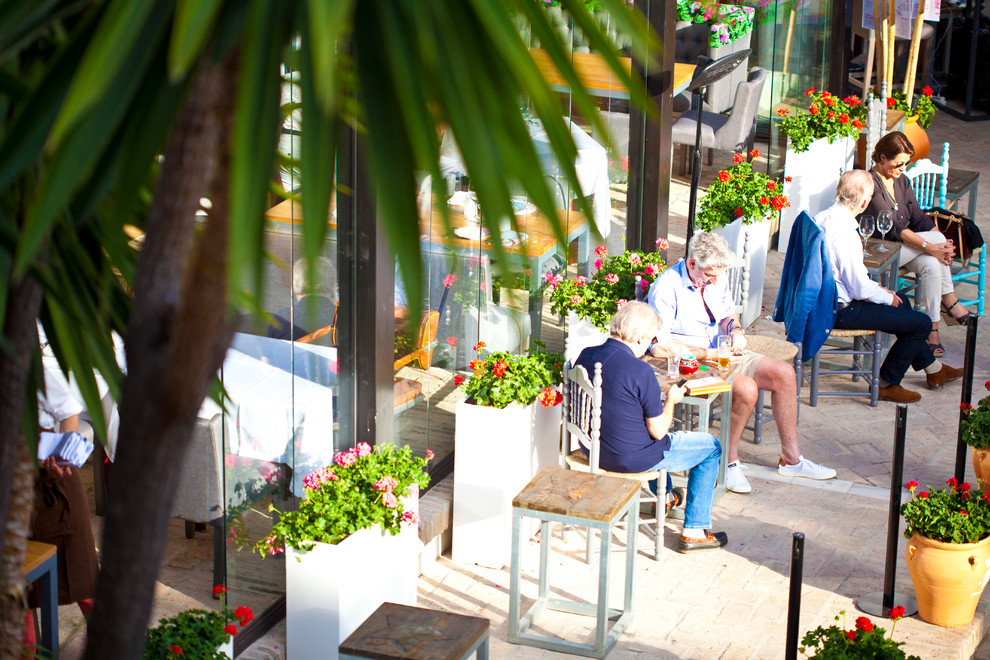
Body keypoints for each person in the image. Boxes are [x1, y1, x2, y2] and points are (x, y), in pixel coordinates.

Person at [647, 231, 836, 495]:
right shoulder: (667, 286)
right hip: (692, 364)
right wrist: (707, 355)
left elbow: (727, 314)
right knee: (747, 389)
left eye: (717, 276)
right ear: (691, 263)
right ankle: (729, 461)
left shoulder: (717, 278)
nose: (714, 281)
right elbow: (659, 347)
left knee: (784, 373)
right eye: (709, 276)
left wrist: (736, 331)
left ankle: (792, 460)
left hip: (721, 352)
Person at [574, 302, 728, 553]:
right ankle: (695, 531)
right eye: (651, 338)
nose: (650, 343)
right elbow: (658, 431)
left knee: (648, 435)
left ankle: (664, 498)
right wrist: (671, 401)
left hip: (593, 449)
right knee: (711, 447)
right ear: (641, 337)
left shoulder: (586, 355)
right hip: (629, 458)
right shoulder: (640, 371)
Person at [815, 169, 964, 403]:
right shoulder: (846, 232)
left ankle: (933, 370)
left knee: (903, 302)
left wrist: (885, 293)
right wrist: (886, 297)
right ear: (864, 202)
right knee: (921, 323)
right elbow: (859, 289)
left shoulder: (823, 217)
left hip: (829, 298)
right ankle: (887, 382)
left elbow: (851, 279)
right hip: (841, 309)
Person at [865, 131, 971, 357]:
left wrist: (938, 243)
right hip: (880, 251)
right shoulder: (870, 183)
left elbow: (919, 217)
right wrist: (932, 246)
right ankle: (950, 301)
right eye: (899, 163)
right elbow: (895, 229)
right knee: (936, 247)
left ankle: (932, 329)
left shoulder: (901, 181)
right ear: (882, 157)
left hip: (904, 249)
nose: (903, 167)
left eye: (907, 163)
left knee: (933, 265)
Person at [24, 342, 99, 651]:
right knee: (16, 591)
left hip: (53, 488)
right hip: (12, 493)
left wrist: (64, 453)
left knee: (82, 578)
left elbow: (69, 411)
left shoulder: (31, 371)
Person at [267, 256, 337, 342]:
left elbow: (267, 353)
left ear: (296, 284)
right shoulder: (345, 318)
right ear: (331, 283)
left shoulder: (282, 318)